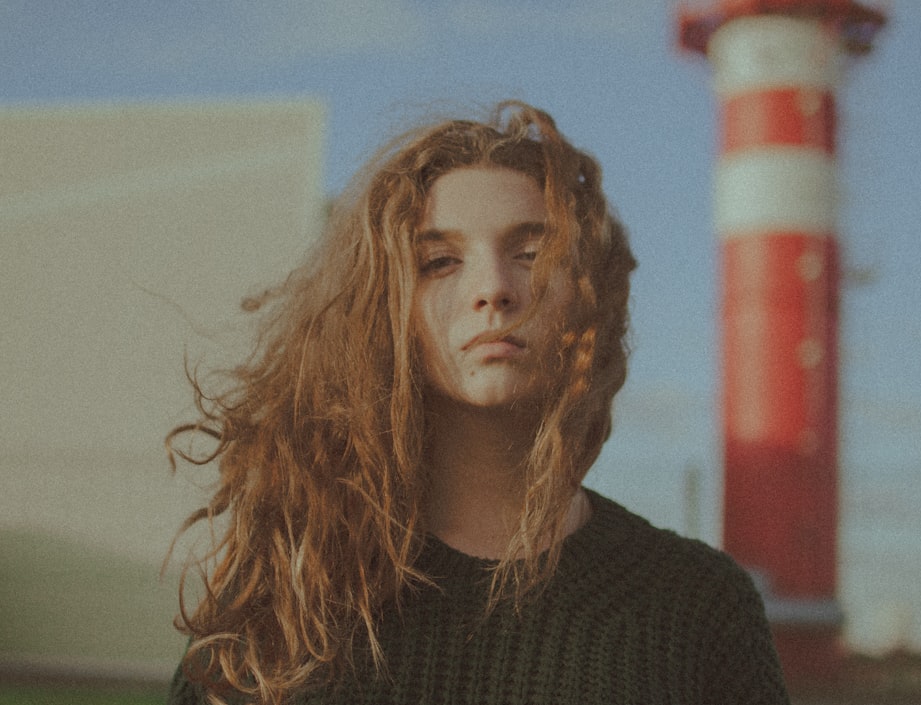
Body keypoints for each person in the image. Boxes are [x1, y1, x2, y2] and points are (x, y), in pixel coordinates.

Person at [165, 100, 789, 705]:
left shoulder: (698, 604)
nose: (492, 289)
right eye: (439, 262)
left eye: (531, 254)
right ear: (382, 312)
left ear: (588, 299)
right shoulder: (288, 596)